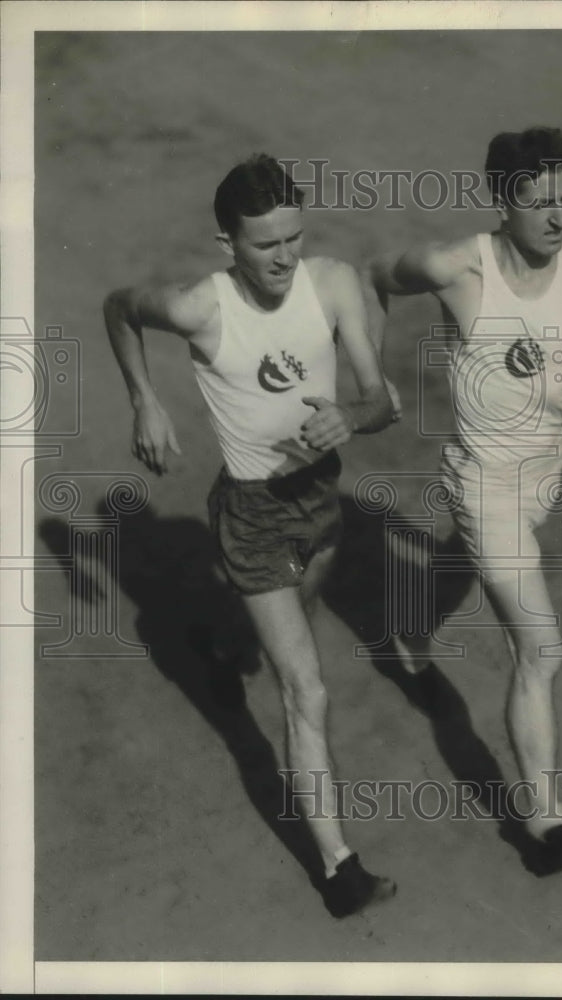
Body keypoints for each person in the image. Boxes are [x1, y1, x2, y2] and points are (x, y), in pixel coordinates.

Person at [361, 126, 562, 876]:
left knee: (467, 567)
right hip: (482, 482)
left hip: (543, 473)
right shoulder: (455, 269)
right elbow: (372, 275)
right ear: (500, 201)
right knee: (539, 648)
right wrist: (366, 375)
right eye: (538, 202)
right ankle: (542, 822)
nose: (556, 216)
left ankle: (404, 631)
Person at [104, 154, 397, 916]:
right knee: (307, 687)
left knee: (297, 604)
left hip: (320, 496)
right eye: (265, 244)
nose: (284, 258)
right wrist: (144, 401)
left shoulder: (330, 283)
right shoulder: (198, 308)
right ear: (225, 241)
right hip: (250, 513)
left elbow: (379, 397)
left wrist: (353, 416)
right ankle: (339, 869)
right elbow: (118, 308)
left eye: (293, 238)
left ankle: (228, 648)